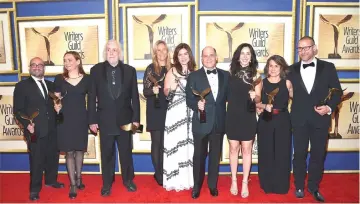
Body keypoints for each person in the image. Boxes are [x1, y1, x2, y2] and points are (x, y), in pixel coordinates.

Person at [288, 36, 342, 202]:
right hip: (299, 120)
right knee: (299, 155)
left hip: (320, 120)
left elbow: (337, 92)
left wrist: (329, 108)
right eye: (300, 48)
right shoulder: (291, 69)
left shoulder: (328, 67)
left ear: (315, 48)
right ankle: (298, 186)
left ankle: (313, 187)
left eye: (306, 47)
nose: (303, 51)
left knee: (318, 155)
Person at [88, 39, 140, 196]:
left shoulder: (130, 70)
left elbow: (135, 98)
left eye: (114, 50)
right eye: (108, 50)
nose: (111, 52)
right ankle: (107, 183)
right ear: (105, 52)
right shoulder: (95, 70)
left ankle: (128, 180)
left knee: (126, 152)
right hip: (105, 120)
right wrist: (92, 120)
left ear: (120, 53)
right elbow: (91, 97)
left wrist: (136, 119)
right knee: (107, 153)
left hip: (126, 120)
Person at [13, 57, 64, 201]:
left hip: (52, 129)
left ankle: (51, 180)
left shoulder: (51, 85)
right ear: (29, 68)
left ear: (44, 68)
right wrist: (26, 124)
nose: (37, 67)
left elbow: (56, 107)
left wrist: (58, 110)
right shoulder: (21, 86)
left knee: (53, 157)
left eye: (40, 65)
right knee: (36, 160)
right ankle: (34, 189)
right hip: (34, 130)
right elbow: (18, 110)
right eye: (34, 65)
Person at [185, 46, 229, 199]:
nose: (209, 58)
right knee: (199, 156)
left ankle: (212, 185)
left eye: (211, 55)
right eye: (205, 56)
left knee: (215, 156)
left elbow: (231, 98)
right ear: (201, 58)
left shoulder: (225, 75)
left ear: (216, 57)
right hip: (201, 122)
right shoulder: (194, 76)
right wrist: (196, 105)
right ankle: (197, 186)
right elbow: (189, 99)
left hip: (218, 122)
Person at [53, 51, 92, 199]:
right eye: (64, 60)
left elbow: (94, 97)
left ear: (78, 62)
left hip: (81, 119)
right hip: (65, 119)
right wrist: (56, 105)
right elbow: (56, 98)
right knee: (69, 152)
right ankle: (73, 184)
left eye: (69, 60)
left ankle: (79, 177)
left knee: (80, 150)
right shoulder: (59, 79)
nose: (67, 63)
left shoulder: (87, 79)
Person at [225, 43, 260, 198]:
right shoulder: (229, 73)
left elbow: (258, 97)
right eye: (243, 53)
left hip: (248, 115)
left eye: (248, 54)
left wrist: (255, 97)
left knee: (247, 150)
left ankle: (245, 181)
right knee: (233, 149)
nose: (245, 56)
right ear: (238, 56)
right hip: (232, 115)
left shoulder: (255, 75)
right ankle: (233, 180)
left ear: (251, 57)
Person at [256, 55, 293, 194]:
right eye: (270, 65)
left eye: (276, 66)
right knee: (266, 152)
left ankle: (281, 185)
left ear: (281, 67)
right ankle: (267, 184)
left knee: (282, 152)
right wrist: (263, 105)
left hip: (283, 120)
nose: (273, 69)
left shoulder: (288, 83)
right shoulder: (261, 82)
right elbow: (256, 102)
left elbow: (300, 98)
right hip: (265, 120)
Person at [162, 43, 195, 191]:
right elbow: (166, 95)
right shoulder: (172, 71)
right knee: (176, 144)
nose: (183, 57)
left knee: (189, 146)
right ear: (176, 57)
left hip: (191, 113)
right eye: (180, 54)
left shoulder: (195, 72)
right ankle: (175, 179)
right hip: (176, 112)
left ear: (189, 55)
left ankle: (189, 179)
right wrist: (172, 88)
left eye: (185, 54)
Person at [143, 40, 171, 186]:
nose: (161, 53)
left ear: (167, 52)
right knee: (157, 143)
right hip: (155, 110)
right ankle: (158, 174)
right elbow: (145, 91)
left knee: (167, 144)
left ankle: (167, 171)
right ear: (155, 53)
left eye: (163, 50)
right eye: (158, 50)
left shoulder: (172, 69)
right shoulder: (150, 69)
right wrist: (151, 91)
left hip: (170, 110)